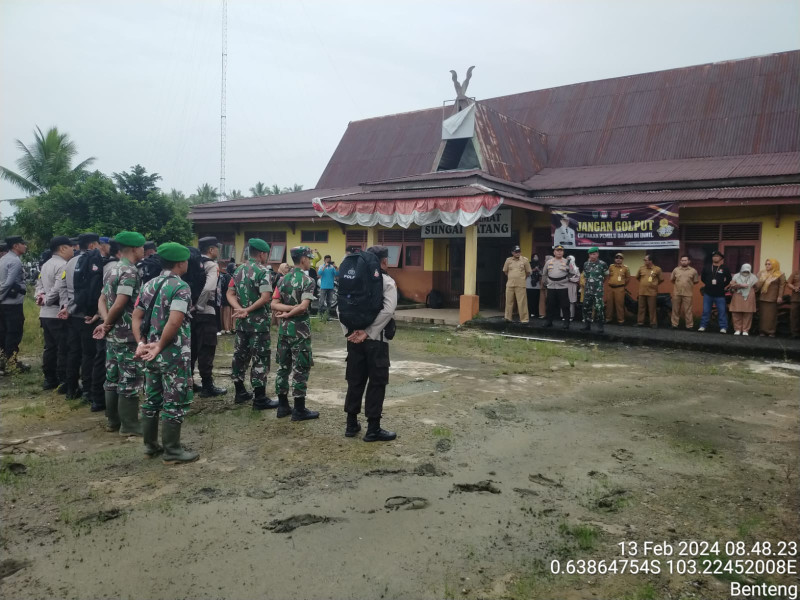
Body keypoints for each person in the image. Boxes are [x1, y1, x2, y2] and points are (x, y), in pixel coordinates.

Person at [132, 242, 199, 464]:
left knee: (152, 398)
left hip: (150, 351)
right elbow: (175, 319)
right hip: (173, 352)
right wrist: (161, 345)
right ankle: (172, 451)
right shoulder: (181, 287)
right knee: (174, 399)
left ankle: (150, 446)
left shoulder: (149, 284)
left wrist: (141, 343)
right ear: (181, 262)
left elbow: (137, 316)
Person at [341, 245, 397, 442]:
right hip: (377, 342)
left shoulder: (352, 281)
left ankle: (351, 424)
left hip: (353, 340)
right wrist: (368, 332)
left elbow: (341, 307)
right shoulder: (386, 281)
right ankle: (373, 429)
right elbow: (388, 310)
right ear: (383, 261)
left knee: (355, 380)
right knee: (376, 383)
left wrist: (351, 332)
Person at [94, 232, 145, 435]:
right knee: (129, 378)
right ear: (134, 249)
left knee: (113, 377)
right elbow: (121, 302)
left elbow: (102, 299)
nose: (144, 250)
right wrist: (107, 323)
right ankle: (130, 425)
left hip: (114, 335)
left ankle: (113, 421)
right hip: (126, 334)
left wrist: (106, 323)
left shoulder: (112, 269)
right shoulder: (129, 271)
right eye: (141, 247)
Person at [227, 238, 277, 409]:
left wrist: (240, 309)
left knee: (240, 356)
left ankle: (240, 392)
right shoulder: (263, 272)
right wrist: (248, 310)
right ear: (262, 254)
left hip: (242, 323)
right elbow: (265, 297)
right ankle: (260, 399)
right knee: (260, 358)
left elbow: (230, 293)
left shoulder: (238, 270)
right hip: (258, 324)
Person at [271, 245, 319, 421]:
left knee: (283, 367)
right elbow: (304, 306)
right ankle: (299, 409)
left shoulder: (282, 280)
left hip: (284, 330)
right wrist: (293, 310)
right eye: (309, 259)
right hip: (300, 332)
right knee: (301, 367)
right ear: (304, 259)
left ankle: (282, 406)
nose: (310, 262)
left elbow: (274, 304)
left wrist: (286, 313)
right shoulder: (308, 281)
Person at [55, 232, 101, 401]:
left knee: (73, 351)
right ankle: (88, 389)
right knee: (89, 353)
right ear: (91, 245)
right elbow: (93, 289)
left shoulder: (70, 263)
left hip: (72, 314)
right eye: (98, 244)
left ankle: (71, 388)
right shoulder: (91, 261)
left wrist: (67, 307)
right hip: (86, 315)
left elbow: (62, 288)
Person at [191, 236, 226, 397]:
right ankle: (207, 386)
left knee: (191, 348)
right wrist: (199, 305)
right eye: (216, 248)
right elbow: (209, 288)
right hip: (205, 312)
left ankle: (188, 382)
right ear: (211, 250)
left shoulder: (192, 264)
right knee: (206, 348)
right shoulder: (211, 265)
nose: (218, 251)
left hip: (189, 314)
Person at [89, 239, 121, 412]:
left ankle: (100, 400)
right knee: (105, 360)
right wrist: (107, 322)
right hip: (111, 320)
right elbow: (113, 299)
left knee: (103, 359)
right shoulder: (117, 268)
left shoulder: (107, 266)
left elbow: (102, 296)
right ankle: (100, 400)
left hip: (104, 317)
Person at [37, 236, 72, 389]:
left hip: (45, 314)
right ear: (62, 248)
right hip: (57, 313)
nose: (73, 250)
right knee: (61, 347)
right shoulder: (63, 265)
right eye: (70, 247)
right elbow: (59, 288)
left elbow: (39, 285)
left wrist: (40, 297)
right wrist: (47, 300)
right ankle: (62, 379)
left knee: (50, 347)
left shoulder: (45, 265)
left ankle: (49, 378)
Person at [0, 236, 30, 373]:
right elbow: (8, 283)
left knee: (4, 332)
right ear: (16, 246)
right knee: (14, 332)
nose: (25, 246)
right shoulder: (14, 261)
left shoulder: (4, 259)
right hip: (12, 304)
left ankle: (4, 362)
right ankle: (10, 362)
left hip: (4, 304)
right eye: (23, 244)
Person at [542, 245, 577, 329]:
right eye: (557, 250)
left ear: (563, 252)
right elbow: (544, 273)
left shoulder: (567, 262)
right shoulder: (549, 262)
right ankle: (549, 321)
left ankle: (566, 322)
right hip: (551, 286)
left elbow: (572, 273)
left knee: (565, 305)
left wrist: (566, 278)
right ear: (554, 252)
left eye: (561, 251)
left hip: (562, 286)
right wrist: (545, 282)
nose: (559, 252)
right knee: (550, 305)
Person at [698, 250, 732, 333]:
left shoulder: (725, 268)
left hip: (720, 294)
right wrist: (709, 284)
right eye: (714, 256)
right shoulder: (707, 267)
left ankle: (723, 327)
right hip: (708, 293)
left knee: (722, 311)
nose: (715, 257)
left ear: (721, 258)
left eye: (717, 256)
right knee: (706, 311)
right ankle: (703, 326)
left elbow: (729, 279)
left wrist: (722, 285)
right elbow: (703, 278)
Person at [754, 258, 786, 337]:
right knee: (762, 315)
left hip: (773, 298)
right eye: (766, 264)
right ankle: (762, 331)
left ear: (774, 265)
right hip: (762, 297)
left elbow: (782, 286)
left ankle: (771, 332)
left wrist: (780, 297)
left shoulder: (780, 274)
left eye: (769, 264)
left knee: (771, 316)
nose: (767, 265)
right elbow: (756, 284)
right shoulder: (761, 272)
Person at [581, 247, 609, 332]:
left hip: (598, 291)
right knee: (586, 307)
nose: (592, 256)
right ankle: (587, 325)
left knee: (599, 308)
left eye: (594, 254)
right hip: (588, 290)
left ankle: (600, 327)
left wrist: (599, 284)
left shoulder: (602, 264)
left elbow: (606, 276)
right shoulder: (586, 264)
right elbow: (585, 276)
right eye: (591, 254)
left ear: (597, 254)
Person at [502, 245, 531, 323]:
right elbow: (505, 271)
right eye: (516, 252)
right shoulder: (508, 260)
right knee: (509, 301)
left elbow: (528, 272)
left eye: (519, 252)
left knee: (522, 302)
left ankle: (524, 319)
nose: (518, 253)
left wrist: (521, 278)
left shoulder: (525, 260)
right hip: (510, 284)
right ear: (512, 253)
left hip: (520, 284)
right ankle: (508, 317)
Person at [727, 264, 758, 336]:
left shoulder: (753, 277)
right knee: (736, 313)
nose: (746, 270)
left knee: (748, 313)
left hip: (749, 296)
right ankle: (737, 329)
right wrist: (740, 285)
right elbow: (731, 285)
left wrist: (751, 291)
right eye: (744, 269)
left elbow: (757, 287)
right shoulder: (736, 276)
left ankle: (745, 330)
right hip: (738, 295)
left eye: (747, 269)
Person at [670, 255, 699, 329]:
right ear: (680, 261)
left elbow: (695, 281)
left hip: (688, 294)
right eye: (682, 260)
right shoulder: (676, 270)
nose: (683, 262)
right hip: (677, 293)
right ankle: (674, 324)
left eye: (685, 260)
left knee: (688, 310)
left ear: (689, 261)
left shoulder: (693, 271)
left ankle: (689, 326)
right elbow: (672, 280)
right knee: (675, 309)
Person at [635, 254, 663, 328]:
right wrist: (644, 283)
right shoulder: (641, 268)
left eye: (645, 260)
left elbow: (661, 279)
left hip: (652, 292)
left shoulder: (657, 269)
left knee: (652, 308)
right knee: (641, 307)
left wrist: (654, 284)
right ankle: (640, 322)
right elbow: (637, 277)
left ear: (650, 261)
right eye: (644, 260)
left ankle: (653, 323)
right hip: (642, 291)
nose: (644, 261)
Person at [605, 252, 630, 324]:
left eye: (620, 258)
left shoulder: (625, 268)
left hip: (620, 289)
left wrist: (622, 284)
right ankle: (608, 318)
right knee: (609, 304)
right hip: (610, 288)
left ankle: (621, 320)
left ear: (622, 260)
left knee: (619, 304)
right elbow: (608, 276)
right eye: (617, 258)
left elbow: (628, 278)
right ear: (614, 259)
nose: (618, 259)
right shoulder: (611, 266)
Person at [317, 254, 338, 320]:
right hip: (323, 286)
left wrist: (335, 267)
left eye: (329, 260)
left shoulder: (332, 267)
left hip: (331, 287)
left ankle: (327, 316)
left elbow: (337, 274)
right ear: (324, 260)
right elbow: (319, 273)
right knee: (321, 301)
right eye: (327, 260)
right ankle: (319, 316)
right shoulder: (321, 266)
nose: (328, 261)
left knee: (329, 302)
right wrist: (324, 267)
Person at [787, 264, 800, 338]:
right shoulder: (795, 272)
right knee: (794, 316)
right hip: (796, 298)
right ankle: (794, 333)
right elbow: (788, 283)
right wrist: (794, 287)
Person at [566, 255, 580, 321]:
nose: (568, 260)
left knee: (571, 301)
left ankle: (571, 316)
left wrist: (570, 279)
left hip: (572, 286)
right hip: (564, 285)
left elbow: (578, 278)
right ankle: (564, 315)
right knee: (564, 301)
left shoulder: (576, 269)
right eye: (567, 259)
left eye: (569, 259)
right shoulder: (564, 267)